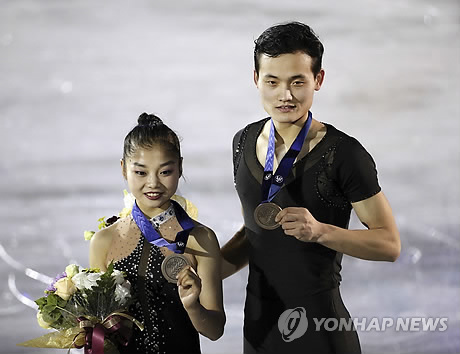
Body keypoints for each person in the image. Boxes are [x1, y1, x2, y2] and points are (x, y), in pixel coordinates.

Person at [221, 21, 401, 354]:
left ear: (318, 80)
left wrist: (319, 231)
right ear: (256, 78)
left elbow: (389, 244)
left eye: (297, 82)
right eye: (272, 82)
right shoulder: (243, 141)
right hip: (258, 330)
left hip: (320, 330)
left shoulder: (344, 154)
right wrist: (204, 268)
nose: (285, 95)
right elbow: (256, 235)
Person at [90, 113, 225, 354]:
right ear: (124, 169)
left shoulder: (199, 239)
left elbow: (215, 330)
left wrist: (193, 306)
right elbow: (100, 329)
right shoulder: (104, 241)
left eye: (165, 172)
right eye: (141, 172)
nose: (153, 183)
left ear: (180, 167)